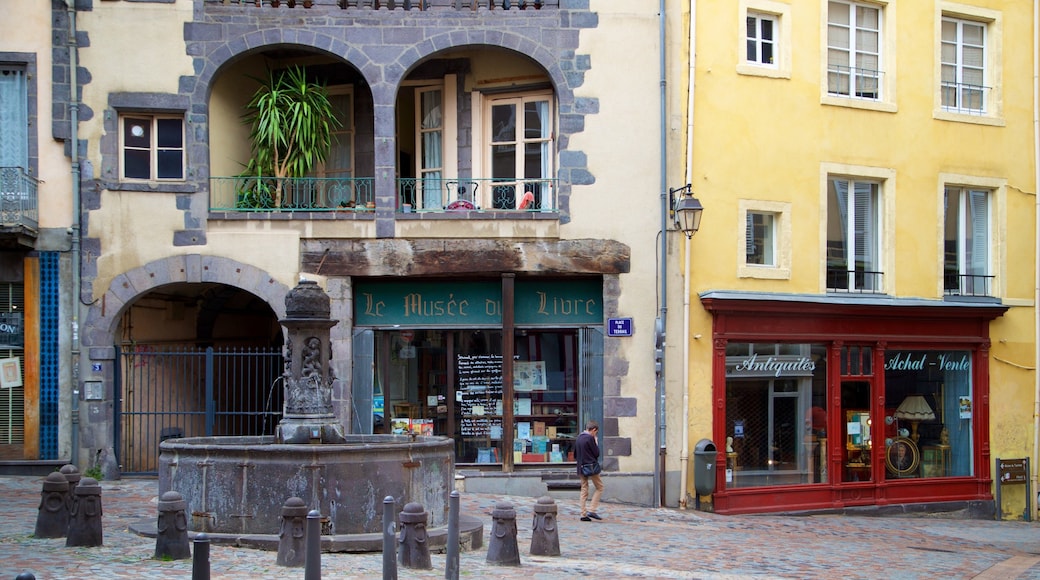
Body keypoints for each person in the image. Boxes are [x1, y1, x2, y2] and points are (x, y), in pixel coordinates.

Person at [576, 420, 604, 521]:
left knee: (584, 489)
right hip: (591, 466)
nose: (595, 434)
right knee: (600, 487)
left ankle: (583, 514)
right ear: (593, 430)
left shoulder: (579, 437)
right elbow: (596, 453)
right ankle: (592, 509)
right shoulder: (590, 438)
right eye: (595, 432)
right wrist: (595, 442)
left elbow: (575, 454)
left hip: (581, 467)